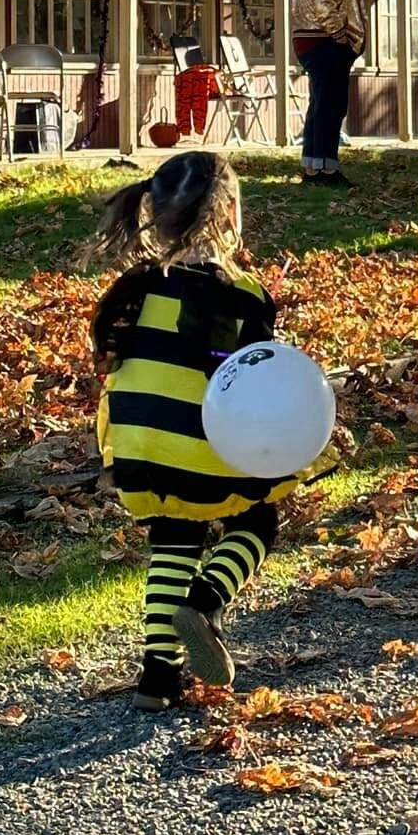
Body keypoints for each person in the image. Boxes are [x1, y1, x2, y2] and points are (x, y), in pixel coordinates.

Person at [90, 151, 328, 710]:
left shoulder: (133, 287)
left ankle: (158, 677)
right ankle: (208, 598)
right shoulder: (240, 294)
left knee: (174, 536)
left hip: (137, 448)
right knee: (257, 517)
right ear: (227, 215)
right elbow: (251, 381)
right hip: (203, 444)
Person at [290, 0, 365, 188]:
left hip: (315, 43)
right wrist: (342, 37)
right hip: (324, 43)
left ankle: (313, 166)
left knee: (321, 105)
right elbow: (325, 6)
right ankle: (324, 169)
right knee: (330, 107)